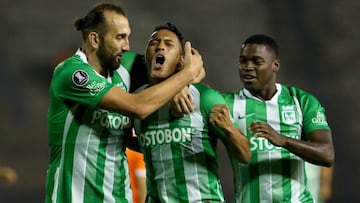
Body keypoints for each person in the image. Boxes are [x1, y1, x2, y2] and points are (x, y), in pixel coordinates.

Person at [45, 3, 204, 203]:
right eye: (120, 37)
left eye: (127, 37)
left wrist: (181, 82)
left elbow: (190, 65)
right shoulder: (73, 74)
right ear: (95, 39)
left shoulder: (123, 66)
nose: (127, 46)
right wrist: (186, 76)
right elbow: (139, 107)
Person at [133, 22, 251, 203]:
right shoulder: (138, 104)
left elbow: (245, 155)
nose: (160, 46)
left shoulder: (204, 97)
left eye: (168, 44)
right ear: (145, 58)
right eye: (154, 42)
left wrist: (229, 129)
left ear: (181, 61)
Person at [210, 34, 335, 202]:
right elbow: (199, 96)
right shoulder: (227, 104)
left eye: (256, 61)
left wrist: (283, 140)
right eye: (243, 61)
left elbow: (327, 155)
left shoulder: (301, 100)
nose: (248, 67)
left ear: (275, 65)